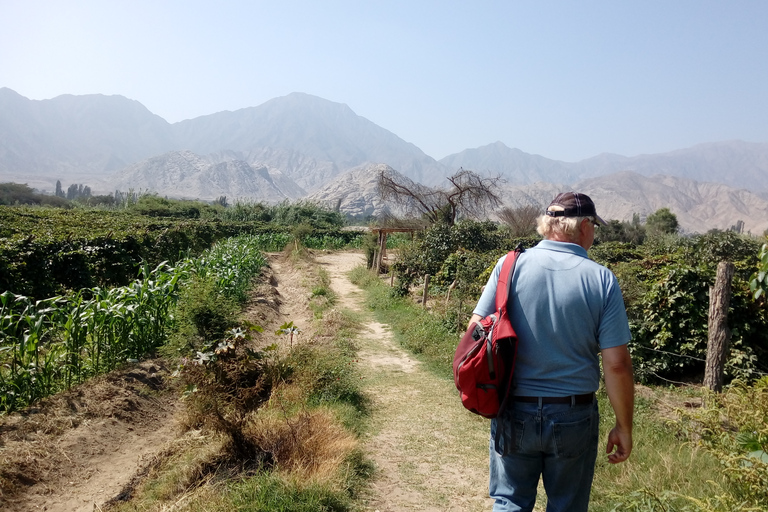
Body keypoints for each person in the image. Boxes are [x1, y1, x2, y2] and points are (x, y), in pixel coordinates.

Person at [469, 191, 634, 512]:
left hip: (513, 408)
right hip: (573, 415)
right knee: (566, 506)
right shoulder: (602, 279)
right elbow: (617, 366)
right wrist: (623, 426)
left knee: (510, 502)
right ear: (584, 226)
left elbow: (475, 332)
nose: (594, 234)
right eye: (594, 227)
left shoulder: (508, 266)